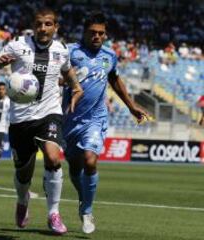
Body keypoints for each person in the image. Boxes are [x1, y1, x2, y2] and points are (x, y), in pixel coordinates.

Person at [0, 8, 83, 235]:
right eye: (39, 24)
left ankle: (53, 214)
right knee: (23, 174)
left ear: (55, 27)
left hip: (49, 113)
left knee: (52, 155)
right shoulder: (17, 46)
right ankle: (22, 200)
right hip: (20, 119)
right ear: (33, 26)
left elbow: (67, 71)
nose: (43, 28)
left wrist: (76, 86)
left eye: (48, 24)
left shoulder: (61, 50)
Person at [62, 11, 149, 234]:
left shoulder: (109, 55)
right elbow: (56, 76)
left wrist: (131, 106)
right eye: (93, 32)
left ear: (105, 34)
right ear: (84, 32)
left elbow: (114, 79)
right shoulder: (69, 52)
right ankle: (83, 198)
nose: (97, 37)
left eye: (101, 33)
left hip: (95, 119)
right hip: (69, 119)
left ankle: (87, 210)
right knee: (74, 166)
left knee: (90, 160)